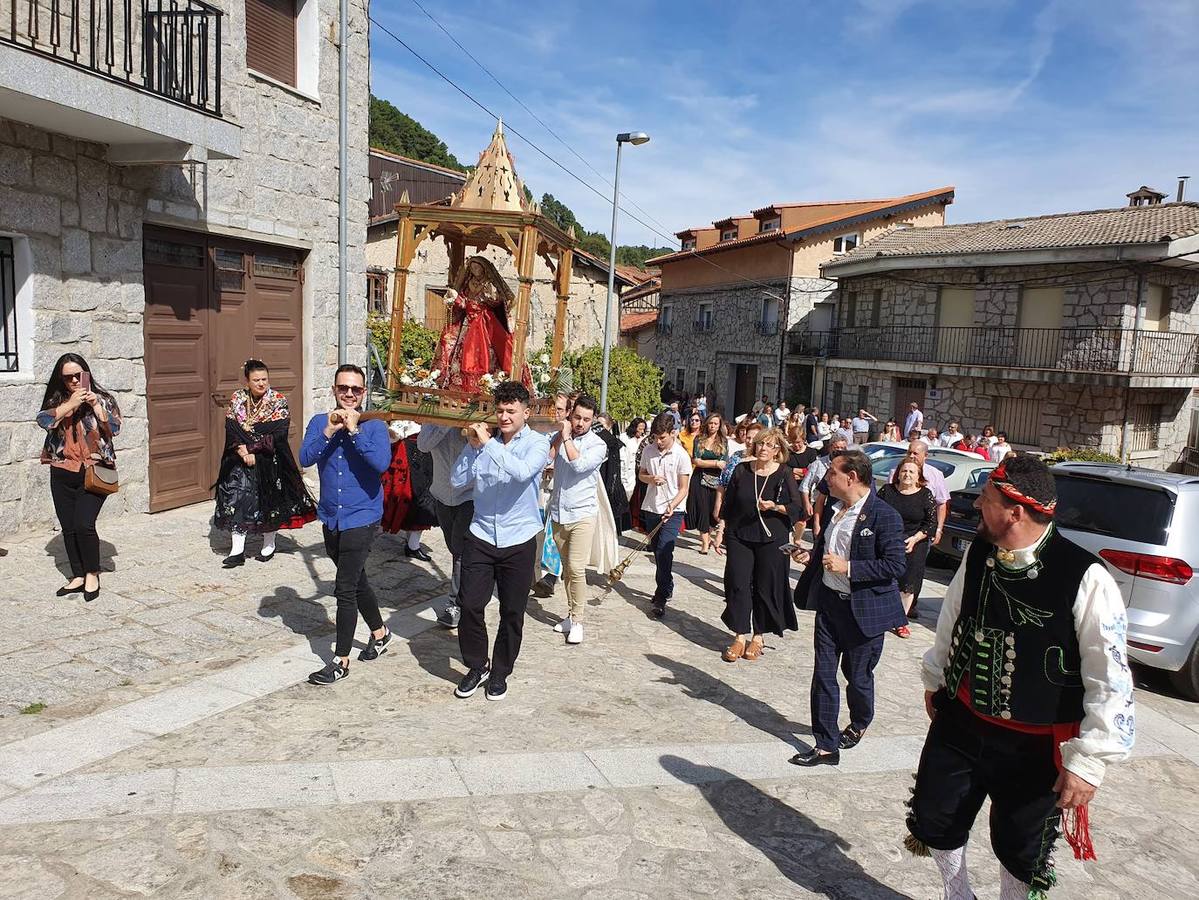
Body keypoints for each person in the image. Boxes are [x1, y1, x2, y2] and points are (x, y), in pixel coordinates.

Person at [906, 454, 1134, 900]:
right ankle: (958, 895)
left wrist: (1089, 761)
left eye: (986, 499)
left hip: (1036, 743)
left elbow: (1110, 675)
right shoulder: (979, 552)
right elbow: (953, 619)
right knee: (935, 816)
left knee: (1020, 846)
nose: (975, 508)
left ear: (1015, 511)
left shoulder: (1085, 576)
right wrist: (937, 680)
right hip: (962, 721)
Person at [790, 449, 907, 766]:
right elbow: (827, 552)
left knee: (857, 677)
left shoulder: (885, 516)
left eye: (832, 474)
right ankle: (826, 745)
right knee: (824, 674)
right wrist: (808, 557)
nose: (827, 479)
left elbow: (895, 565)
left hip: (865, 612)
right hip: (830, 604)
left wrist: (851, 568)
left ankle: (860, 721)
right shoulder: (832, 510)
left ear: (851, 477)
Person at [450, 381, 551, 700]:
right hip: (480, 534)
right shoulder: (483, 442)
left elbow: (521, 472)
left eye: (511, 411)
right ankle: (477, 665)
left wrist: (488, 445)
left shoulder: (537, 443)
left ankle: (501, 672)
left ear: (526, 411)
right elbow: (456, 481)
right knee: (469, 604)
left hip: (519, 538)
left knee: (512, 611)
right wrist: (471, 446)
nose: (504, 417)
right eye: (500, 410)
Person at [301, 364, 394, 686]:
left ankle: (340, 660)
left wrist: (354, 431)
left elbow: (381, 464)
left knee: (344, 589)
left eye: (356, 389)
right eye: (344, 388)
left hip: (362, 516)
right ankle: (380, 633)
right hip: (331, 515)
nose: (349, 395)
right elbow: (305, 457)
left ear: (364, 393)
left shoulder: (374, 427)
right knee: (356, 580)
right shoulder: (318, 422)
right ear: (334, 390)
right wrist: (329, 431)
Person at [37, 353, 122, 602]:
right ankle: (77, 575)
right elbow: (43, 420)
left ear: (86, 373)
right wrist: (70, 405)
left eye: (78, 375)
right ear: (60, 379)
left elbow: (114, 429)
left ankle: (92, 573)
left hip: (96, 470)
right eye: (68, 377)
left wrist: (96, 407)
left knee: (84, 524)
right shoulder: (57, 399)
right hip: (62, 469)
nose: (74, 380)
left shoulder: (104, 398)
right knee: (69, 527)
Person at [214, 359, 316, 567]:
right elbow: (231, 427)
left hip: (269, 459)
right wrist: (242, 450)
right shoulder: (238, 398)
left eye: (264, 379)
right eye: (256, 380)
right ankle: (237, 550)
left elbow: (278, 434)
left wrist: (253, 448)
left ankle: (268, 544)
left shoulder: (277, 400)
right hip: (239, 459)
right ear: (247, 381)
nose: (261, 383)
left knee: (268, 502)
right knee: (237, 498)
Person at [719, 428, 803, 662]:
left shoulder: (784, 473)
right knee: (738, 583)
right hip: (740, 535)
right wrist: (720, 530)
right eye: (760, 444)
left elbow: (797, 508)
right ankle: (739, 635)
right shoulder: (741, 470)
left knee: (766, 586)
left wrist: (774, 507)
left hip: (772, 538)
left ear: (778, 450)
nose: (763, 448)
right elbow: (729, 504)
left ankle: (758, 636)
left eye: (769, 445)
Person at [547, 395, 608, 645]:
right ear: (570, 415)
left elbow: (579, 465)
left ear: (592, 420)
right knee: (567, 571)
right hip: (559, 512)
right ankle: (571, 615)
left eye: (586, 419)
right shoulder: (562, 437)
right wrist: (558, 437)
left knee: (576, 568)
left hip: (583, 514)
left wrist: (568, 438)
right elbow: (547, 458)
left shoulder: (598, 445)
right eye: (577, 417)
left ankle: (579, 621)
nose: (580, 422)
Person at [433, 256, 519, 394]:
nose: (475, 270)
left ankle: (486, 385)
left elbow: (499, 301)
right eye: (472, 268)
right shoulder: (469, 283)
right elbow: (465, 302)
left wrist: (490, 298)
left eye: (477, 267)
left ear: (484, 268)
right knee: (462, 351)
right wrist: (455, 299)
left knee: (486, 352)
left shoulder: (489, 284)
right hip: (468, 322)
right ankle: (460, 386)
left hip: (485, 323)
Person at [416, 423, 472, 628]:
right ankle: (469, 588)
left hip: (469, 495)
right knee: (454, 548)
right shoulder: (435, 419)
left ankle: (455, 603)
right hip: (441, 493)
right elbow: (422, 445)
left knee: (460, 550)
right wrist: (446, 423)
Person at [639, 411, 692, 619]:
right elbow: (641, 475)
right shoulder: (649, 451)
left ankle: (660, 595)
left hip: (674, 510)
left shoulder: (681, 455)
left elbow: (684, 488)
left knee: (664, 550)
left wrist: (673, 505)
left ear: (673, 433)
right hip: (652, 506)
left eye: (662, 437)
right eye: (655, 437)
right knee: (656, 551)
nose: (658, 442)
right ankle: (667, 583)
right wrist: (650, 479)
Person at [878, 459, 937, 636]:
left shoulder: (925, 494)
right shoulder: (887, 491)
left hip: (914, 542)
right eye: (904, 471)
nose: (907, 475)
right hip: (887, 540)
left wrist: (915, 538)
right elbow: (875, 512)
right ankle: (880, 614)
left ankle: (900, 621)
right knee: (883, 578)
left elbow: (931, 523)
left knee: (908, 583)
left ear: (919, 476)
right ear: (898, 473)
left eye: (912, 472)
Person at [380, 420, 438, 556]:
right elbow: (393, 436)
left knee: (422, 502)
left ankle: (413, 545)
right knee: (406, 498)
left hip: (426, 459)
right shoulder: (404, 417)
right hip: (407, 460)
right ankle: (411, 545)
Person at [688, 413, 728, 555]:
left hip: (716, 480)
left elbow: (724, 462)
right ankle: (705, 542)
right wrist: (715, 463)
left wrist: (713, 464)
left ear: (719, 425)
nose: (712, 426)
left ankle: (709, 534)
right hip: (699, 478)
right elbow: (696, 460)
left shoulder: (723, 441)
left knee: (713, 512)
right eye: (711, 423)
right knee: (701, 510)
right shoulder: (699, 439)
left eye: (715, 424)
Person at [800, 435, 849, 537]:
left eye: (842, 448)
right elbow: (805, 486)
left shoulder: (848, 466)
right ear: (830, 447)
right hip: (819, 506)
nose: (839, 450)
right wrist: (807, 504)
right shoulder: (818, 464)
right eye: (836, 448)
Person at [595, 414, 630, 533]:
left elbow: (621, 471)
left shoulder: (615, 446)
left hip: (609, 488)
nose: (598, 430)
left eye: (602, 426)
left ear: (609, 427)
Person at [620, 418, 647, 501]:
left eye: (643, 429)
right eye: (640, 429)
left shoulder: (644, 439)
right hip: (627, 472)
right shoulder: (624, 438)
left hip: (639, 472)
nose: (642, 431)